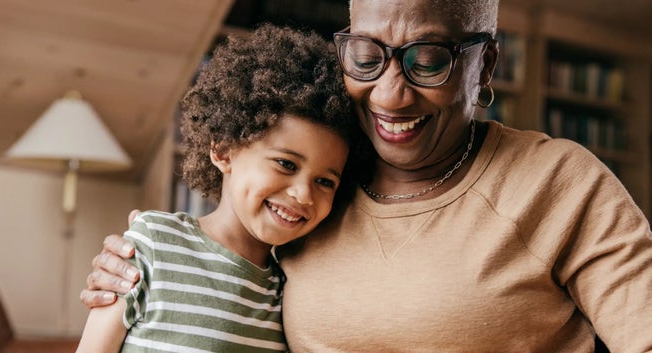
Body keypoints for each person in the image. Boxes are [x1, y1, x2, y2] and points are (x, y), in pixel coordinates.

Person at [80, 0, 652, 352]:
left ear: (486, 65)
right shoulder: (322, 190)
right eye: (366, 55)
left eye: (429, 59)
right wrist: (144, 261)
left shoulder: (559, 182)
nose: (391, 93)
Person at [74, 24, 354, 353]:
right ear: (223, 150)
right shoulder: (154, 242)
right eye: (286, 164)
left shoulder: (290, 292)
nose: (304, 194)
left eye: (325, 181)